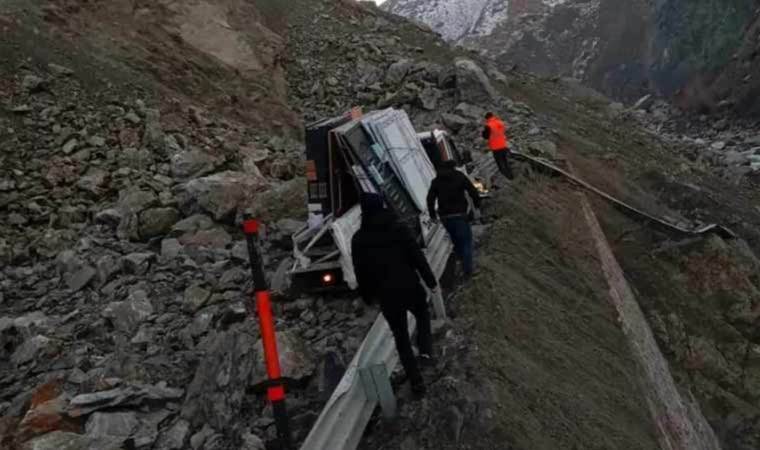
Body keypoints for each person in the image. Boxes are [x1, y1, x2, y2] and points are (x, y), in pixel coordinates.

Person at [352, 193, 438, 396]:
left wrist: (368, 297)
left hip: (386, 295)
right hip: (409, 285)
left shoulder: (359, 239)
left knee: (401, 338)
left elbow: (360, 271)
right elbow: (416, 256)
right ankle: (425, 351)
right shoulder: (398, 227)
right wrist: (430, 281)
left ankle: (417, 383)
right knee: (423, 314)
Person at [426, 160, 481, 277]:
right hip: (459, 214)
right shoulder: (459, 176)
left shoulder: (436, 181)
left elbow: (430, 199)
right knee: (466, 242)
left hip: (445, 217)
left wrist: (432, 215)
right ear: (453, 167)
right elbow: (472, 191)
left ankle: (462, 266)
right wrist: (477, 206)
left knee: (456, 242)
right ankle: (468, 271)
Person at [482, 112, 514, 179]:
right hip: (503, 145)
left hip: (495, 148)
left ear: (487, 118)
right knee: (505, 162)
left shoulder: (488, 125)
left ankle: (506, 178)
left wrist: (483, 132)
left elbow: (486, 136)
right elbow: (503, 131)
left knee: (500, 164)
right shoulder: (500, 123)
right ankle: (511, 176)